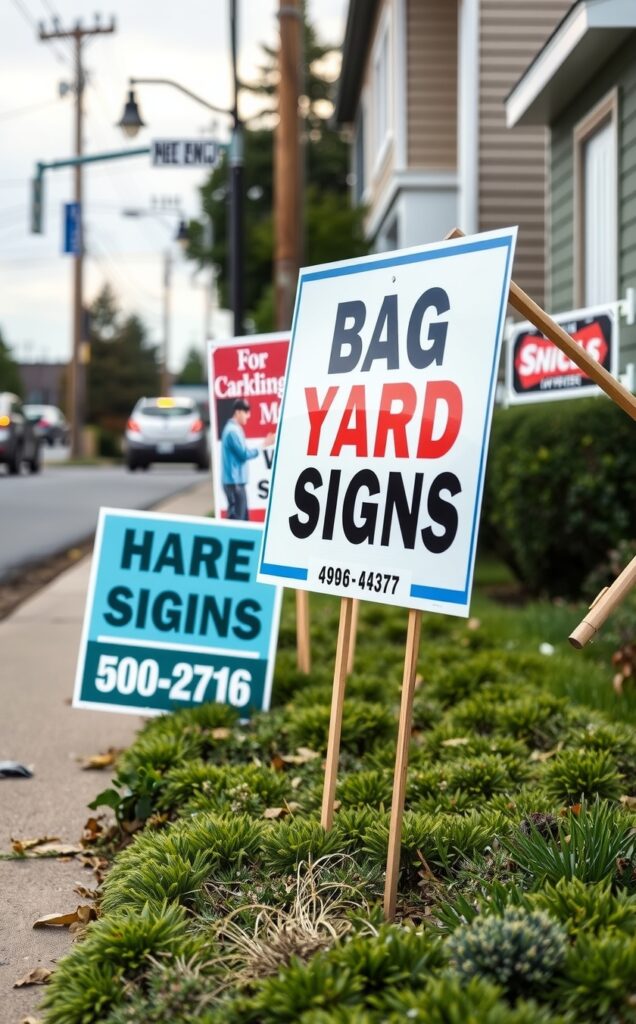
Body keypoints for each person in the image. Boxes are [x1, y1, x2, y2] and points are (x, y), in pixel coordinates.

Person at [220, 398, 275, 520]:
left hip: (235, 482)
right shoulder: (232, 431)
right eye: (246, 412)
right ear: (238, 412)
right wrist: (264, 444)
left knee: (242, 517)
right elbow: (244, 454)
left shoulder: (234, 429)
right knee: (238, 520)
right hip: (234, 483)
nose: (248, 416)